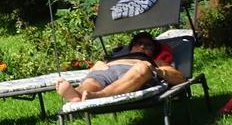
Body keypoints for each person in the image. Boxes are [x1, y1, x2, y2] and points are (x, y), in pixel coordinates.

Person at [55, 32, 184, 103]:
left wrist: (156, 69)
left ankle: (98, 96)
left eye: (148, 45)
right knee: (92, 80)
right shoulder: (117, 56)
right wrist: (96, 66)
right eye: (139, 44)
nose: (143, 47)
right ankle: (76, 94)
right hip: (109, 67)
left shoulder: (156, 61)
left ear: (154, 51)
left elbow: (180, 78)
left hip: (136, 71)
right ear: (131, 47)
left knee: (142, 68)